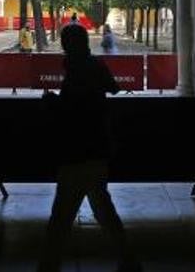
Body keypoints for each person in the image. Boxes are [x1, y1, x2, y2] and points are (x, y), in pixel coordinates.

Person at [38, 24, 140, 272]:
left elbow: (70, 109)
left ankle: (49, 266)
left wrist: (52, 101)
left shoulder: (73, 69)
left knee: (61, 217)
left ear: (67, 44)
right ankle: (128, 261)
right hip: (98, 146)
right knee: (103, 210)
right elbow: (113, 88)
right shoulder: (94, 65)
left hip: (75, 150)